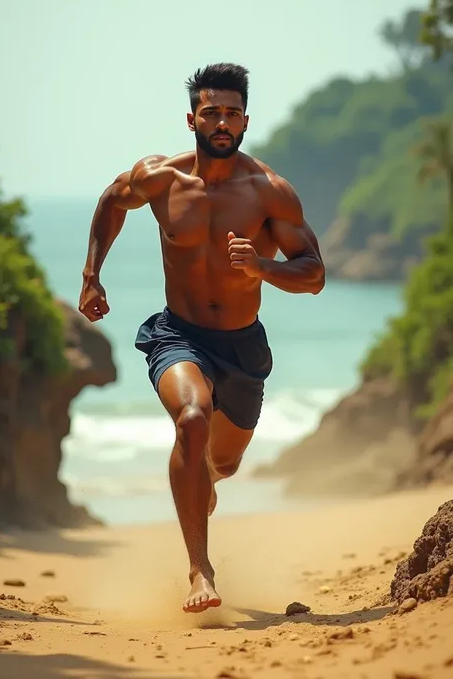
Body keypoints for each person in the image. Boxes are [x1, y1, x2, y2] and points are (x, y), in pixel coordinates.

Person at [78, 63, 325, 614]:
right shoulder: (160, 178)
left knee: (222, 466)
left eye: (232, 113)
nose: (222, 122)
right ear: (192, 118)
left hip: (242, 347)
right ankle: (200, 571)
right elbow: (111, 202)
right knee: (192, 418)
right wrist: (92, 273)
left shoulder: (268, 192)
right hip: (178, 333)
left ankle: (203, 479)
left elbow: (313, 274)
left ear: (245, 121)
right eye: (211, 112)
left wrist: (262, 267)